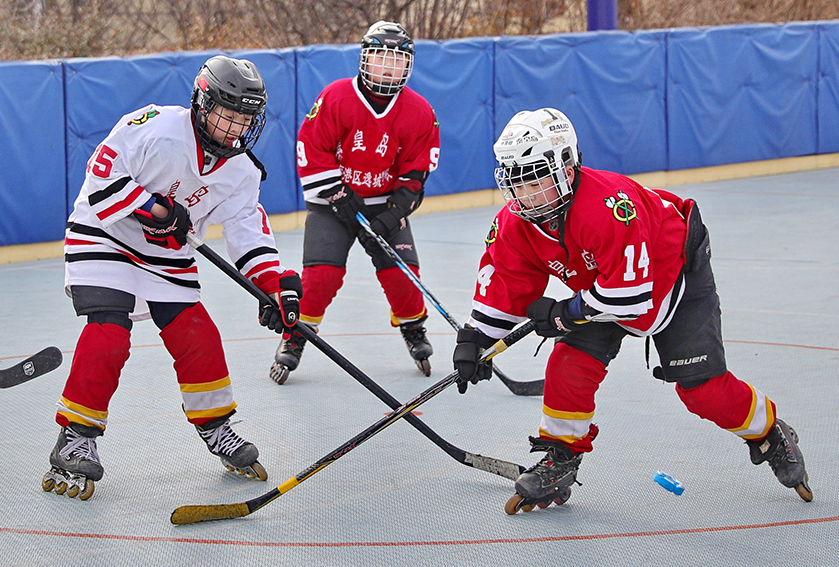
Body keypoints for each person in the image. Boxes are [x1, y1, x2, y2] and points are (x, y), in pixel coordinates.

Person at [452, 108, 812, 514]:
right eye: (516, 180)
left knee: (704, 393)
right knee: (568, 365)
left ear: (567, 168)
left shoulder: (608, 206)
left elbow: (629, 299)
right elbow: (505, 283)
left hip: (674, 271)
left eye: (536, 177)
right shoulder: (514, 223)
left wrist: (563, 312)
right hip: (603, 285)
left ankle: (769, 432)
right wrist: (476, 339)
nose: (526, 194)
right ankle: (560, 457)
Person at [42, 55, 302, 501]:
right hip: (106, 235)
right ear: (202, 104)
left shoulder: (241, 171)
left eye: (244, 119)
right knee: (108, 332)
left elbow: (246, 230)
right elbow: (101, 174)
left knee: (198, 334)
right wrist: (155, 210)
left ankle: (216, 425)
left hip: (165, 255)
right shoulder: (157, 127)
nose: (234, 128)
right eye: (226, 114)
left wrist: (272, 286)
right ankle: (75, 437)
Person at [268, 20, 441, 384]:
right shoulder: (336, 97)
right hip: (334, 203)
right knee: (320, 278)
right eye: (381, 58)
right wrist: (339, 193)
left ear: (408, 66)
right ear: (365, 59)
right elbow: (311, 149)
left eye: (397, 61)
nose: (388, 68)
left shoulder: (419, 111)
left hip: (383, 206)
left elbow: (416, 173)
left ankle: (413, 328)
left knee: (403, 276)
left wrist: (392, 215)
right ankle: (295, 336)